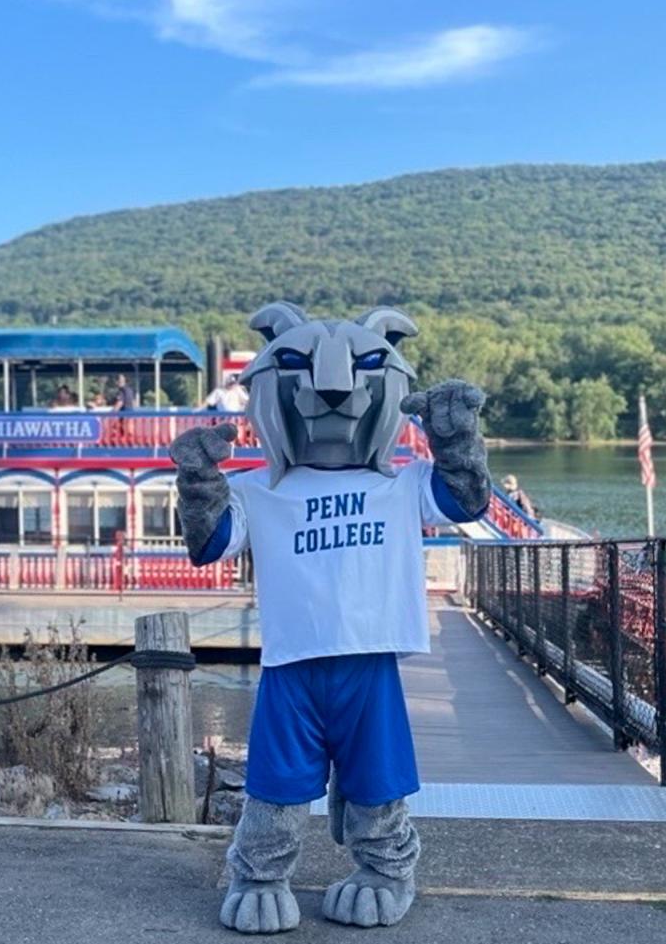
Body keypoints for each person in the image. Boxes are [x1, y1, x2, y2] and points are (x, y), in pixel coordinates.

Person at [171, 301, 491, 932]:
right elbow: (210, 544)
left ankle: (386, 872)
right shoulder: (259, 487)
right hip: (291, 662)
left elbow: (466, 501)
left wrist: (455, 440)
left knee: (377, 782)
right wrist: (199, 481)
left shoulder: (402, 483)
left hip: (369, 660)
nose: (337, 389)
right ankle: (260, 877)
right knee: (275, 786)